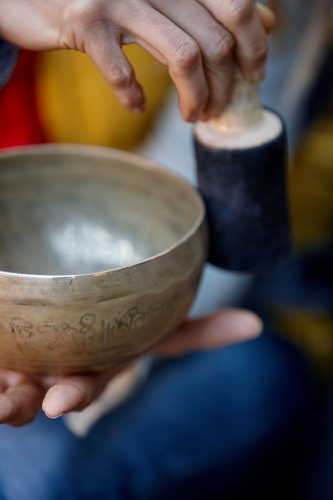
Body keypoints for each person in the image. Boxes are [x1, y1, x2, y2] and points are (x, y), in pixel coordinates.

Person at [0, 0, 275, 427]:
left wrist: (139, 322)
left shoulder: (279, 22)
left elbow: (202, 203)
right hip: (52, 197)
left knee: (51, 479)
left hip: (255, 302)